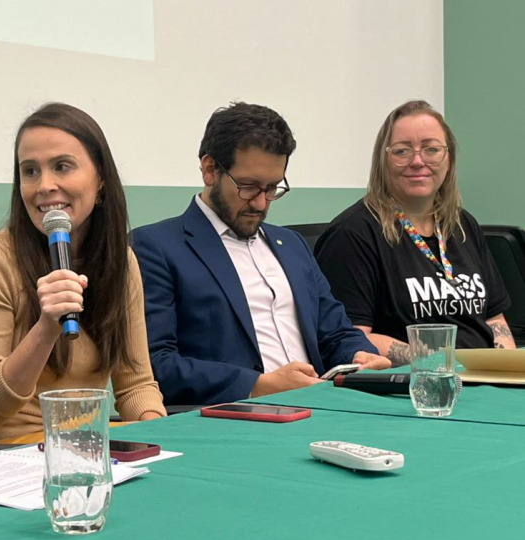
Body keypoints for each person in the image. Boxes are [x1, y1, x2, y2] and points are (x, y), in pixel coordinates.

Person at [0, 102, 166, 447]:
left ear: (100, 181)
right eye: (30, 171)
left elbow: (136, 384)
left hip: (75, 444)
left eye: (62, 167)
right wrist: (45, 329)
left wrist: (155, 435)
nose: (44, 185)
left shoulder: (120, 263)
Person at [132, 102, 390, 406]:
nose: (260, 203)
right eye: (248, 187)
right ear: (210, 169)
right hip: (234, 419)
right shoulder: (156, 247)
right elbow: (153, 365)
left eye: (272, 188)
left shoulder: (291, 244)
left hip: (323, 407)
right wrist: (257, 385)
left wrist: (360, 355)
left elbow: (336, 333)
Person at [315, 100, 514, 364]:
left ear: (449, 157)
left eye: (432, 149)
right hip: (411, 388)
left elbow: (494, 319)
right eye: (402, 151)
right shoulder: (352, 234)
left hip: (482, 382)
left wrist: (509, 374)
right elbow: (351, 337)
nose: (418, 161)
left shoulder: (463, 225)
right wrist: (440, 367)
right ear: (382, 160)